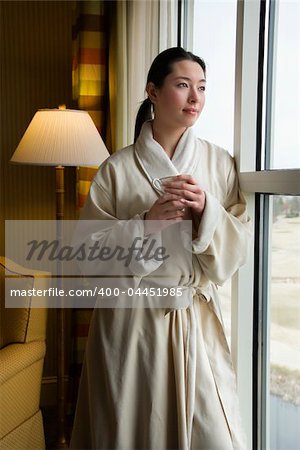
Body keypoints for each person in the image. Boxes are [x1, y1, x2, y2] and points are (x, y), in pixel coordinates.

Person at [70, 47, 251, 450]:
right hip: (130, 324)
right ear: (153, 91)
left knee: (214, 436)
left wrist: (207, 212)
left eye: (202, 88)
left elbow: (237, 247)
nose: (195, 98)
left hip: (193, 321)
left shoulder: (219, 163)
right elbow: (86, 257)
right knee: (133, 430)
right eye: (183, 85)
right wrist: (147, 225)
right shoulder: (116, 169)